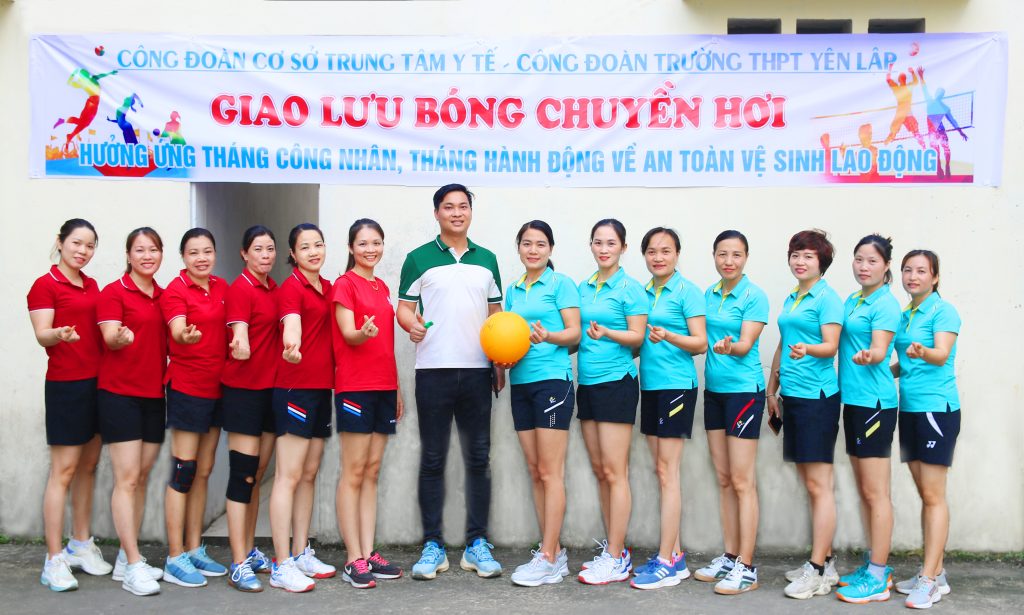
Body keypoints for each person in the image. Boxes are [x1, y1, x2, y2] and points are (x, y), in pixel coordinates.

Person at [396, 184, 504, 580]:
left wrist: (499, 363)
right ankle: (433, 546)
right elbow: (404, 309)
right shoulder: (418, 258)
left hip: (477, 372)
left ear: (470, 212)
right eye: (448, 207)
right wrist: (411, 325)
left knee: (478, 458)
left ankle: (477, 544)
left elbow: (496, 316)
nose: (456, 213)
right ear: (437, 213)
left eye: (463, 206)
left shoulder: (488, 260)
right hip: (433, 371)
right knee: (433, 458)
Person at [28, 219, 113, 592]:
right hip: (66, 387)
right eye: (77, 243)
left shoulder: (92, 286)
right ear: (60, 242)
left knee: (88, 468)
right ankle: (54, 559)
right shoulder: (45, 285)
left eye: (90, 245)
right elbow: (41, 334)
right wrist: (58, 333)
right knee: (62, 471)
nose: (83, 251)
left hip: (98, 384)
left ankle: (80, 544)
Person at [502, 221, 581, 587]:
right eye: (527, 243)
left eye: (540, 244)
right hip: (521, 382)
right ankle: (554, 551)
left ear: (550, 249)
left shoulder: (561, 283)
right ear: (519, 247)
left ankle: (547, 557)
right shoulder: (513, 289)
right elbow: (507, 335)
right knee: (535, 470)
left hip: (552, 382)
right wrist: (503, 358)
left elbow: (574, 333)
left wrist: (548, 336)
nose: (533, 250)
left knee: (551, 472)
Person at [767, 229, 843, 600]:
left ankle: (817, 570)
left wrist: (808, 349)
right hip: (793, 396)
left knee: (819, 485)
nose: (800, 261)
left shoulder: (828, 298)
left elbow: (831, 346)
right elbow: (784, 342)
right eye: (796, 254)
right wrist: (772, 389)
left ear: (821, 262)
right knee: (809, 482)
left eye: (808, 256)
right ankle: (824, 561)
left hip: (817, 399)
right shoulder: (794, 296)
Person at [694, 230, 769, 595]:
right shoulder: (709, 294)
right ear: (714, 256)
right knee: (724, 478)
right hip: (715, 392)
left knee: (742, 480)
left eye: (736, 254)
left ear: (746, 257)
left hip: (744, 394)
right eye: (722, 254)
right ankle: (730, 556)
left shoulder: (755, 296)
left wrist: (730, 346)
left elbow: (746, 343)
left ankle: (747, 567)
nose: (729, 261)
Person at [631, 227, 706, 590]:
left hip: (677, 387)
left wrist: (669, 335)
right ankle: (674, 557)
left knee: (668, 472)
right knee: (660, 470)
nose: (658, 257)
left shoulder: (687, 291)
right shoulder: (641, 292)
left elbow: (700, 343)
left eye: (665, 251)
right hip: (651, 386)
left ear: (677, 254)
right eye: (652, 251)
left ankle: (665, 561)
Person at [332, 219, 404, 589]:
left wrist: (397, 389)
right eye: (363, 243)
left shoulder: (383, 287)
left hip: (383, 387)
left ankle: (368, 552)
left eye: (376, 242)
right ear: (351, 247)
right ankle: (353, 558)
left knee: (372, 471)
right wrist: (363, 332)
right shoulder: (344, 285)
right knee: (354, 471)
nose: (370, 249)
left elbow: (386, 345)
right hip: (355, 389)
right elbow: (349, 333)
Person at [96, 227, 167, 596]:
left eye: (153, 249)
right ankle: (135, 565)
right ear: (128, 255)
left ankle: (127, 556)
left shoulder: (164, 296)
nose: (147, 256)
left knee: (140, 476)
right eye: (140, 250)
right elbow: (110, 336)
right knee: (126, 479)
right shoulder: (113, 292)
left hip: (154, 395)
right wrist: (118, 338)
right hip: (119, 395)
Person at [575, 219, 647, 585]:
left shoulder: (631, 288)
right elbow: (576, 335)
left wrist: (608, 332)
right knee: (601, 470)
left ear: (623, 248)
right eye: (598, 242)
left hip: (617, 383)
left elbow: (638, 337)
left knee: (616, 472)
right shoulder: (583, 287)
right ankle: (613, 549)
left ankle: (617, 556)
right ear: (591, 245)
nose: (604, 249)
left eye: (611, 243)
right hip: (587, 383)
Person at [268, 223, 336, 593]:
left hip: (321, 389)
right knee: (288, 476)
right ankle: (281, 564)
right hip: (295, 389)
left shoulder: (327, 287)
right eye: (305, 246)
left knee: (308, 474)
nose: (313, 251)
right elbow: (291, 325)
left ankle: (300, 552)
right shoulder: (291, 287)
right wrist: (291, 346)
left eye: (318, 244)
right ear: (293, 254)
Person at [160, 228, 229, 588]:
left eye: (207, 251)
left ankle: (193, 547)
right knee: (183, 471)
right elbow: (176, 327)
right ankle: (175, 557)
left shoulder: (222, 288)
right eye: (193, 253)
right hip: (187, 388)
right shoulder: (175, 290)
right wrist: (183, 334)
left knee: (203, 471)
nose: (201, 258)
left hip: (218, 388)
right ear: (183, 257)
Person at [891, 250, 960, 610]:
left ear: (935, 277)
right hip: (909, 409)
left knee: (934, 496)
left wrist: (924, 351)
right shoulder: (905, 315)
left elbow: (941, 353)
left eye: (921, 271)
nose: (913, 276)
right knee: (925, 493)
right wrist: (879, 368)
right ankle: (936, 571)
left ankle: (930, 581)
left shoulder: (943, 311)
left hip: (936, 409)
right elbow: (904, 363)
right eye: (907, 270)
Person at [835, 235, 902, 604]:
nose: (864, 267)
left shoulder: (886, 304)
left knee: (877, 492)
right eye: (859, 259)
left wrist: (870, 356)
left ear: (886, 266)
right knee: (865, 489)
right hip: (854, 402)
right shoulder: (854, 299)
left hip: (875, 404)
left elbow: (880, 349)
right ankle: (873, 564)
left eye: (872, 261)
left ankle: (878, 574)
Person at [221, 225, 280, 592]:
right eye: (258, 249)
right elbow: (239, 330)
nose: (265, 255)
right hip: (243, 393)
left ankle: (249, 548)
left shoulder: (274, 289)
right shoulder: (240, 289)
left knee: (257, 474)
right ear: (244, 253)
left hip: (270, 392)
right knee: (242, 476)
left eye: (270, 248)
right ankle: (238, 561)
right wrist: (239, 344)